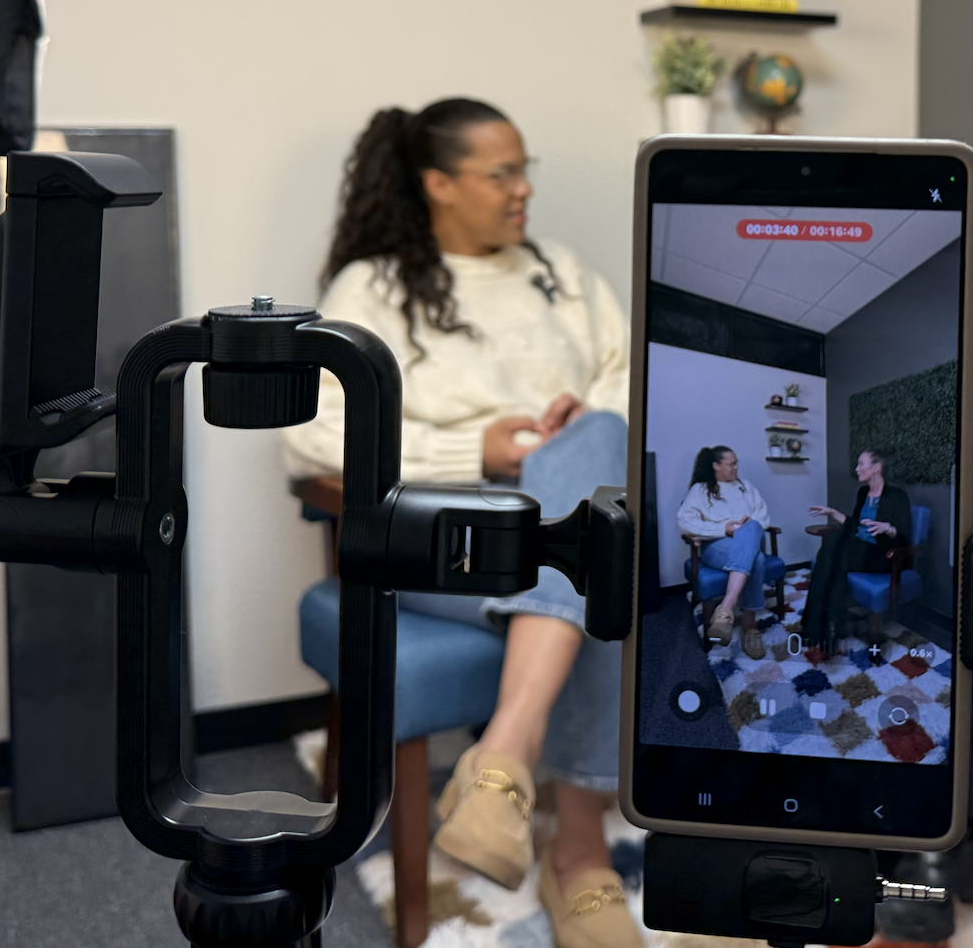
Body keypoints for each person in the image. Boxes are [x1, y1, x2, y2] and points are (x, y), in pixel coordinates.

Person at [282, 97, 637, 948]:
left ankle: (502, 763)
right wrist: (477, 449)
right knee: (601, 562)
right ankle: (576, 856)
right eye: (501, 173)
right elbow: (314, 434)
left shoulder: (560, 272)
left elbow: (628, 381)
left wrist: (577, 425)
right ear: (438, 183)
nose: (524, 190)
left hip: (564, 516)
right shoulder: (372, 289)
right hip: (444, 537)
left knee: (599, 476)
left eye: (525, 171)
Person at [799, 449, 913, 656]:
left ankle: (817, 625)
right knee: (832, 546)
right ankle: (829, 626)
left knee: (832, 556)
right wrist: (833, 513)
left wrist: (888, 528)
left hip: (883, 555)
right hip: (859, 547)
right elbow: (855, 526)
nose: (857, 469)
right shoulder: (863, 493)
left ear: (875, 467)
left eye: (861, 464)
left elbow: (905, 536)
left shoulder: (897, 496)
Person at [675, 447, 771, 659]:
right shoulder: (700, 490)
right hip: (717, 545)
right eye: (731, 464)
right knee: (756, 560)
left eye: (736, 463)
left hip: (749, 539)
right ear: (716, 466)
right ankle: (749, 625)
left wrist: (748, 525)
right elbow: (685, 522)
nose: (736, 468)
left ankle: (726, 608)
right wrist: (723, 529)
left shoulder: (747, 487)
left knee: (753, 527)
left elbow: (763, 517)